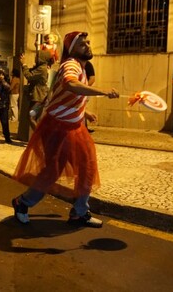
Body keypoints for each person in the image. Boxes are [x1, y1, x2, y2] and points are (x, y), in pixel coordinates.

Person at [11, 31, 119, 228]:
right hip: (57, 128)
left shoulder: (83, 67)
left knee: (87, 168)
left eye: (88, 42)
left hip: (75, 127)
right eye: (82, 44)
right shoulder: (70, 64)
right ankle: (22, 203)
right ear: (71, 49)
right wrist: (102, 92)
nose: (87, 45)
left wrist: (84, 113)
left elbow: (67, 95)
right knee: (52, 172)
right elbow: (70, 84)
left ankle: (79, 213)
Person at [21, 50, 51, 128]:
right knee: (34, 117)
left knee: (31, 117)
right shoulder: (41, 67)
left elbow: (29, 76)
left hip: (38, 97)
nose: (35, 58)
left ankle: (39, 138)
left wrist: (24, 64)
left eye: (37, 56)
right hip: (38, 97)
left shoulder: (42, 68)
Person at [84, 61, 96, 133]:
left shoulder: (87, 64)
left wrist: (84, 88)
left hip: (84, 90)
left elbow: (92, 79)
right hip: (83, 90)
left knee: (82, 108)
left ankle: (84, 128)